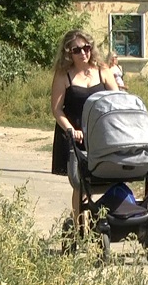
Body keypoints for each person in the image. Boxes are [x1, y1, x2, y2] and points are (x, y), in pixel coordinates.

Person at [50, 30, 121, 231]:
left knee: (108, 177)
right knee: (80, 183)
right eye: (77, 50)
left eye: (86, 48)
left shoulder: (103, 70)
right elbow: (56, 109)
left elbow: (116, 102)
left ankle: (107, 218)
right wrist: (71, 130)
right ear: (68, 53)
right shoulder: (64, 75)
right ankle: (81, 226)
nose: (83, 53)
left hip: (101, 135)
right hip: (76, 134)